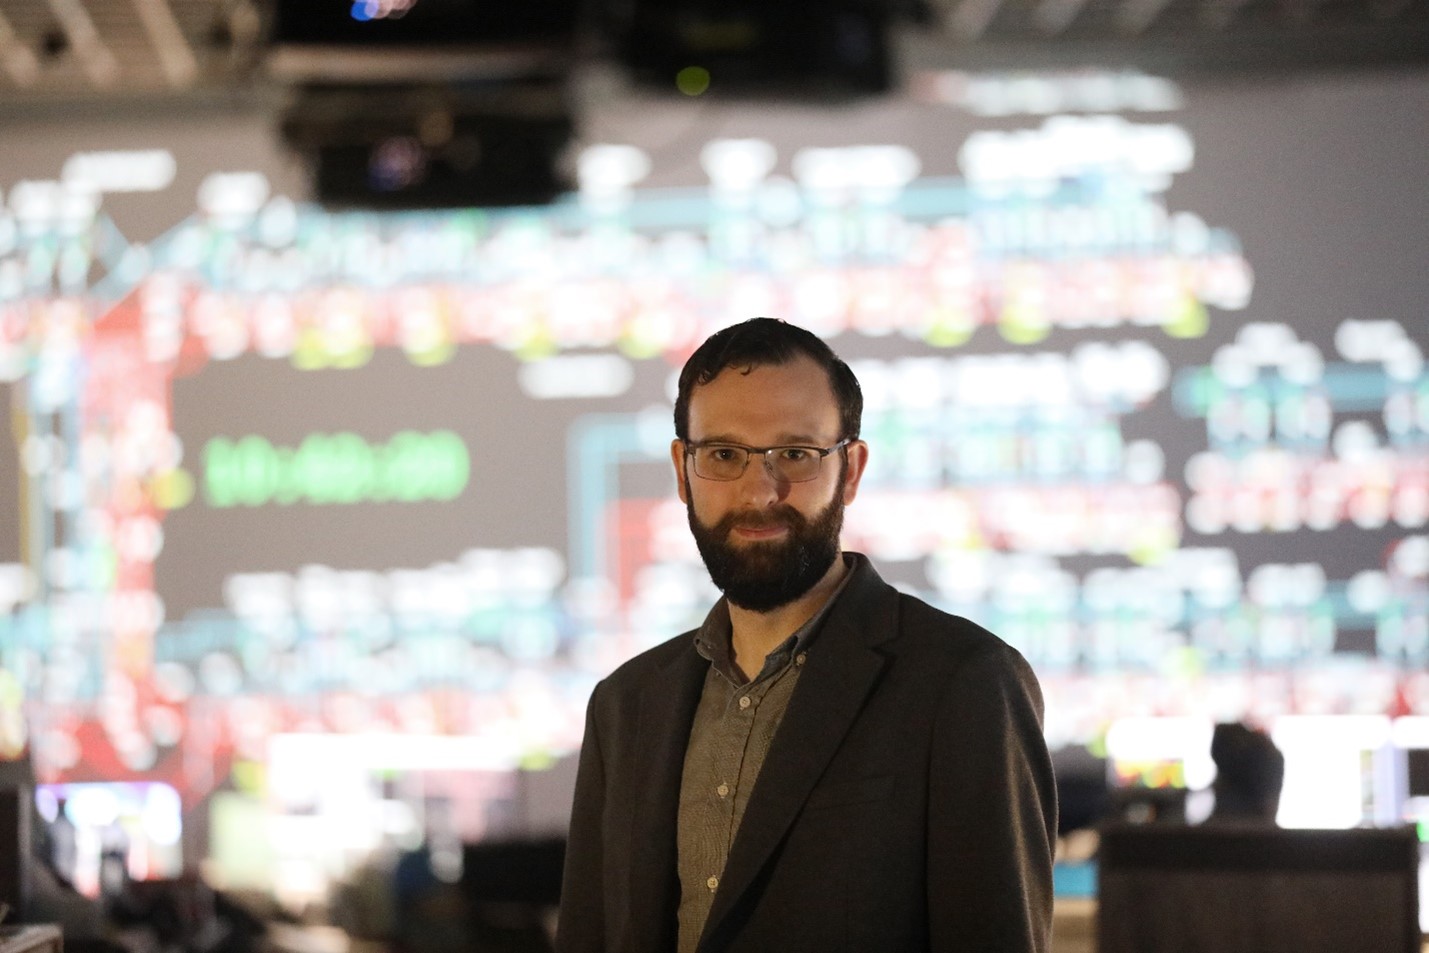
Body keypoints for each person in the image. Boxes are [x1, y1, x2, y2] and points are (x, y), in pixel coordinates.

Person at [556, 318, 1057, 953]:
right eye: (724, 455)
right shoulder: (624, 706)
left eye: (795, 453)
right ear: (684, 471)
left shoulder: (966, 683)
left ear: (850, 470)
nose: (759, 491)